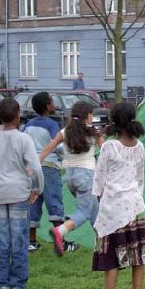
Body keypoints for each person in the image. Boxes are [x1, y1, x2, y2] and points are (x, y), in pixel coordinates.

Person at [92, 102, 145, 289]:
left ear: (114, 121)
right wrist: (136, 198)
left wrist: (100, 200)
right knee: (138, 254)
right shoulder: (140, 147)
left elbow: (99, 179)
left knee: (111, 258)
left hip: (113, 208)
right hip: (135, 208)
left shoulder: (109, 147)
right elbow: (140, 179)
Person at [0, 98, 44, 289]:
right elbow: (35, 167)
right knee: (19, 241)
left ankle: (3, 284)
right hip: (19, 195)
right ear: (18, 115)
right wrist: (37, 189)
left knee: (0, 242)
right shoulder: (24, 138)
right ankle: (18, 284)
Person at [39, 101, 105, 257]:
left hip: (70, 177)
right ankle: (60, 231)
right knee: (84, 211)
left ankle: (102, 244)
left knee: (94, 208)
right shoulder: (93, 132)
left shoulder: (65, 131)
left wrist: (36, 161)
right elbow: (105, 151)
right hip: (87, 176)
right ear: (88, 115)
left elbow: (51, 146)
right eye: (91, 114)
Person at [23, 92, 77, 253]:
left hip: (32, 168)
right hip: (49, 167)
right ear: (47, 106)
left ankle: (31, 241)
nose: (54, 105)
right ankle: (61, 241)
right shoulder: (52, 125)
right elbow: (58, 147)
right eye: (52, 102)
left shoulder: (29, 125)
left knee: (33, 202)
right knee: (54, 202)